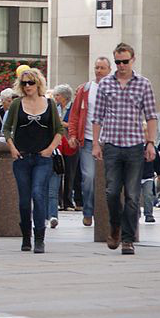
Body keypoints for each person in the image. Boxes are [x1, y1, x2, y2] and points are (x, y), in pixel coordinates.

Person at [92, 43, 158, 255]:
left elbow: (150, 116)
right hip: (111, 144)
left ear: (133, 60)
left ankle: (128, 239)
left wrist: (150, 143)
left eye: (125, 61)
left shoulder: (143, 84)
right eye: (118, 62)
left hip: (135, 145)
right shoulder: (105, 85)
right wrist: (95, 143)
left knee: (132, 195)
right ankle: (115, 226)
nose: (121, 66)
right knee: (111, 192)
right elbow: (97, 117)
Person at [3, 67, 64, 253]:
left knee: (38, 194)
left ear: (38, 83)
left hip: (42, 158)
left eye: (31, 82)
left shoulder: (50, 104)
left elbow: (59, 130)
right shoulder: (16, 104)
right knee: (23, 200)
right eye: (24, 83)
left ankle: (39, 238)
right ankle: (26, 237)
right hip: (22, 157)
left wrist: (50, 149)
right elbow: (7, 129)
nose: (27, 86)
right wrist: (12, 148)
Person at [67, 56, 111, 226]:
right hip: (87, 140)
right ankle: (88, 210)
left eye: (102, 68)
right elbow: (75, 114)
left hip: (109, 141)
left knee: (109, 179)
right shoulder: (85, 89)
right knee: (88, 177)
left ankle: (107, 211)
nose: (99, 70)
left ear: (109, 70)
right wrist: (72, 135)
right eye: (97, 67)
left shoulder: (115, 89)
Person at [48, 84, 75, 226]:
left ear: (64, 96)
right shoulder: (55, 107)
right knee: (57, 171)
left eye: (57, 95)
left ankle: (68, 201)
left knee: (69, 172)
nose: (55, 97)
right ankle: (57, 203)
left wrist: (62, 123)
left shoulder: (73, 108)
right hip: (58, 144)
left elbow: (74, 124)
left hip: (69, 143)